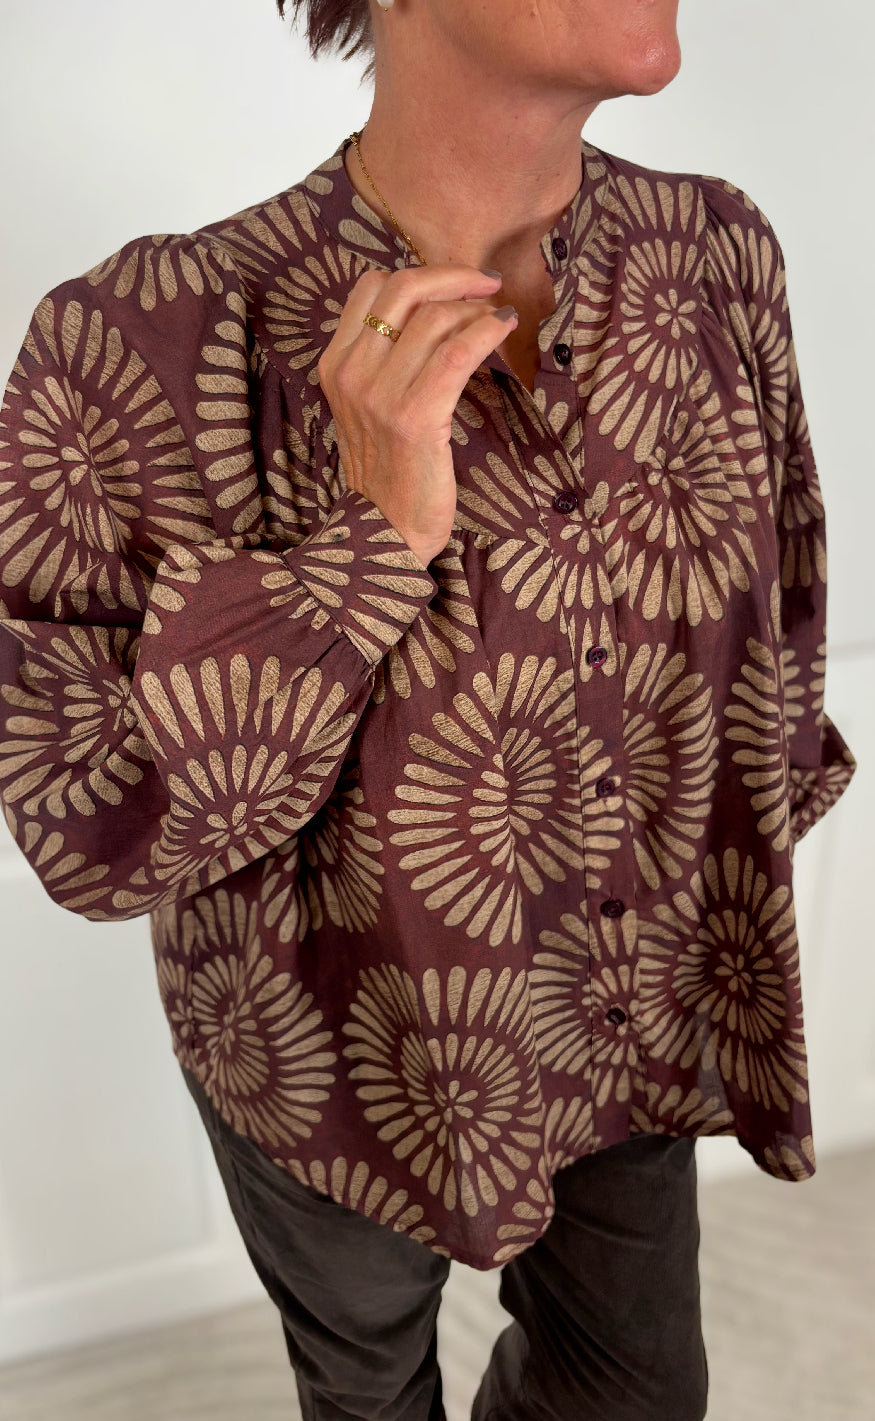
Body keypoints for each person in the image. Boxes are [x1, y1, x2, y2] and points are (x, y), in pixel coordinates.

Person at [0, 0, 857, 1416]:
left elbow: (788, 595)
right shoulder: (142, 339)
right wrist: (372, 544)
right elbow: (84, 823)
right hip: (325, 1056)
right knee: (367, 1392)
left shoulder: (712, 255)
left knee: (641, 1389)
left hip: (630, 1008)